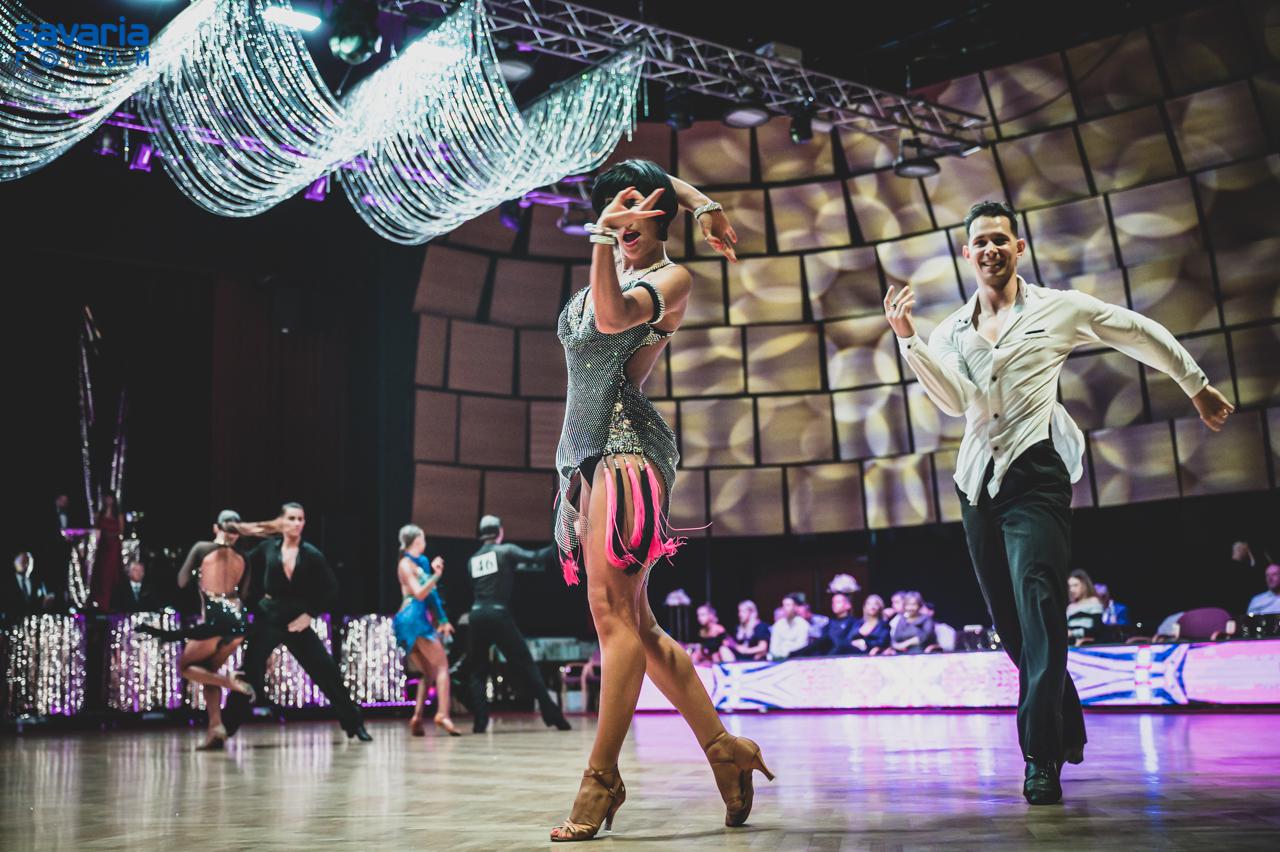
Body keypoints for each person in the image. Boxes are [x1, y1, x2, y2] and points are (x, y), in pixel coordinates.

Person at [885, 198, 1233, 804]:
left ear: (1018, 248)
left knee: (1041, 606)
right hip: (977, 484)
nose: (991, 249)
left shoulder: (1059, 308)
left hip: (1037, 475)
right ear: (966, 254)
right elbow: (953, 402)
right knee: (1012, 626)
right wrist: (909, 340)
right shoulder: (951, 331)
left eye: (1000, 239)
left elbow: (1136, 331)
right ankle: (1063, 720)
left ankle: (1040, 758)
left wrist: (1195, 385)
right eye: (980, 241)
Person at [547, 160, 772, 842]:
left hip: (629, 453)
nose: (625, 226)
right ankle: (724, 749)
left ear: (659, 220)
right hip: (589, 460)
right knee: (638, 628)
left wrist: (606, 231)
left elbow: (612, 319)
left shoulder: (670, 279)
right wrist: (700, 201)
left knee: (612, 616)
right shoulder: (609, 266)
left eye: (638, 214)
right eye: (616, 212)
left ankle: (601, 777)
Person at [221, 503, 371, 742]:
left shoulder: (311, 554)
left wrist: (309, 614)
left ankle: (354, 723)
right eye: (291, 518)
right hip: (269, 618)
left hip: (296, 620)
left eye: (300, 519)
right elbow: (243, 565)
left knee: (326, 671)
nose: (297, 523)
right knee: (249, 671)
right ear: (282, 521)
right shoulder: (268, 548)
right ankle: (226, 727)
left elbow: (331, 588)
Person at [139, 511, 256, 750]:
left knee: (185, 667)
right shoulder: (243, 557)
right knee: (206, 671)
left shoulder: (202, 548)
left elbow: (181, 581)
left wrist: (198, 574)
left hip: (215, 620)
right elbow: (244, 594)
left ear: (216, 528)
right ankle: (216, 727)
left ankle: (233, 684)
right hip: (238, 622)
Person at [466, 514, 571, 734]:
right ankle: (553, 716)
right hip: (498, 614)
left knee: (477, 671)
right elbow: (537, 557)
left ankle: (480, 723)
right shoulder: (506, 551)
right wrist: (562, 540)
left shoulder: (473, 560)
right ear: (500, 532)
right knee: (526, 664)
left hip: (476, 615)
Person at [393, 524, 459, 736]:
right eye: (423, 539)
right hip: (413, 619)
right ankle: (443, 714)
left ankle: (417, 717)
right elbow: (420, 593)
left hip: (411, 619)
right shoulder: (405, 564)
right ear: (417, 541)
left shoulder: (419, 563)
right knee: (442, 667)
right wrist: (436, 575)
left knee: (428, 672)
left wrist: (443, 619)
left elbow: (432, 595)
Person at [90, 492, 123, 611]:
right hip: (103, 547)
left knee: (112, 573)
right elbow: (95, 531)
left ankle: (111, 602)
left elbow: (121, 531)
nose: (109, 501)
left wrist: (112, 536)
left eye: (111, 498)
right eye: (107, 498)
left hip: (114, 546)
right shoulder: (100, 514)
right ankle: (101, 602)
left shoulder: (118, 515)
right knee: (102, 573)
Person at [3, 552, 55, 626]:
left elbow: (43, 602)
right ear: (15, 563)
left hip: (35, 624)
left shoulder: (38, 582)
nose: (26, 564)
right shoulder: (6, 584)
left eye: (29, 561)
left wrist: (47, 601)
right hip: (13, 625)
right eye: (23, 561)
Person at [768, 593, 811, 660]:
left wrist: (785, 651)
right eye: (783, 605)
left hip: (796, 659)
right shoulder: (778, 625)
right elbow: (773, 647)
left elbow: (801, 647)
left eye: (788, 605)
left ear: (795, 607)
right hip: (778, 659)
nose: (785, 608)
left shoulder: (803, 624)